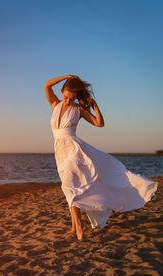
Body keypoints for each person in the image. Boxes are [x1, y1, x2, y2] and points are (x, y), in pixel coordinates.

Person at [45, 74, 158, 241]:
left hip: (74, 151)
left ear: (77, 97)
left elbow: (99, 123)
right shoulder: (55, 104)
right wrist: (66, 77)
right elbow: (47, 85)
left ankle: (78, 229)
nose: (68, 101)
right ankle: (75, 225)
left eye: (72, 98)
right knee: (70, 188)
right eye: (66, 97)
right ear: (62, 92)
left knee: (69, 188)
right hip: (59, 152)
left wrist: (95, 105)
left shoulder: (79, 110)